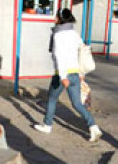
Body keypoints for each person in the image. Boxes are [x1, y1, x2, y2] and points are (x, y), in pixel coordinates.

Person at [34, 8, 103, 142]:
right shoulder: (75, 33)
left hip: (62, 73)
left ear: (60, 18)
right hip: (75, 72)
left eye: (56, 16)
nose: (54, 19)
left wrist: (63, 76)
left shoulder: (58, 35)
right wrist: (80, 73)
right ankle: (93, 127)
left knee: (52, 99)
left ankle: (47, 125)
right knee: (77, 103)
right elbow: (81, 51)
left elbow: (59, 56)